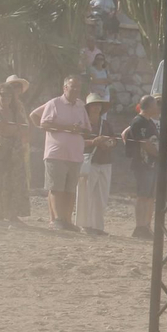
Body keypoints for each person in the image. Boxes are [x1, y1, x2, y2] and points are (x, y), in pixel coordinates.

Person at [31, 75, 92, 232]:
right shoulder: (54, 103)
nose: (76, 90)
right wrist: (66, 127)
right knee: (56, 187)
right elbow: (44, 123)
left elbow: (87, 129)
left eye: (78, 87)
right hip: (56, 153)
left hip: (75, 154)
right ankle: (57, 219)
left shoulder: (81, 106)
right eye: (73, 87)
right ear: (65, 88)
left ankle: (67, 220)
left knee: (70, 189)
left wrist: (79, 130)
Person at [0, 76, 31, 223]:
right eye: (2, 94)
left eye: (8, 94)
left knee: (13, 180)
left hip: (15, 149)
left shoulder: (17, 111)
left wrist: (14, 128)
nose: (5, 97)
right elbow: (2, 129)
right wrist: (16, 128)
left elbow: (25, 129)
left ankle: (12, 213)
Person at [77, 91, 116, 236]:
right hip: (89, 160)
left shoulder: (105, 124)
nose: (96, 108)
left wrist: (108, 143)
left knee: (101, 195)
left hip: (105, 161)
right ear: (88, 107)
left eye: (98, 105)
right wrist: (94, 142)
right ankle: (84, 225)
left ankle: (98, 226)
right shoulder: (83, 124)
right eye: (93, 105)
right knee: (85, 193)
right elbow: (76, 142)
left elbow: (114, 140)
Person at [122, 94, 161, 238]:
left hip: (150, 164)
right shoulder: (139, 121)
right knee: (142, 195)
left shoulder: (149, 122)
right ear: (149, 106)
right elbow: (144, 143)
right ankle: (139, 226)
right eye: (155, 104)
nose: (157, 107)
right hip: (141, 164)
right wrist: (159, 154)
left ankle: (145, 225)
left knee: (149, 196)